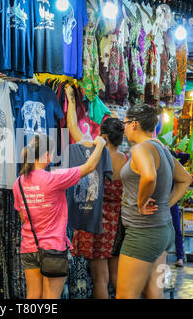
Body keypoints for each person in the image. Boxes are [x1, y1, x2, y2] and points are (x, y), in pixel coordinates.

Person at [13, 133, 106, 299]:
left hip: (29, 246)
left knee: (32, 295)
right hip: (53, 248)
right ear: (47, 155)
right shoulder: (55, 178)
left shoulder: (18, 182)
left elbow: (23, 217)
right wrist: (100, 143)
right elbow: (90, 167)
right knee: (51, 297)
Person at [116, 104, 192, 299]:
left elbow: (149, 176)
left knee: (125, 295)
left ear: (134, 124)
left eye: (124, 123)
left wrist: (141, 204)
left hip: (143, 234)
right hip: (162, 232)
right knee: (154, 292)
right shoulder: (161, 148)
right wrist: (167, 203)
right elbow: (185, 179)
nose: (123, 128)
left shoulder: (141, 148)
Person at [72, 118, 128, 299]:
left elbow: (73, 129)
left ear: (103, 136)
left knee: (100, 279)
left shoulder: (96, 156)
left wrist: (71, 101)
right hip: (118, 224)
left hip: (97, 224)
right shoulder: (126, 160)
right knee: (117, 277)